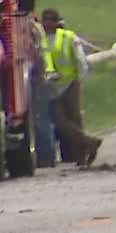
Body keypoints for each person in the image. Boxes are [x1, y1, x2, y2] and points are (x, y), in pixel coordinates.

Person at [42, 9, 103, 167]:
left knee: (74, 119)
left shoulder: (68, 37)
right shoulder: (40, 39)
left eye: (50, 20)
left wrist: (79, 79)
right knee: (60, 122)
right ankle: (90, 142)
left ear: (57, 22)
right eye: (45, 20)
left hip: (70, 85)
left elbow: (80, 59)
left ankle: (81, 157)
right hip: (52, 87)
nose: (47, 23)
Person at [28, 16, 56, 168]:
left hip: (38, 78)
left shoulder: (33, 29)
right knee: (41, 119)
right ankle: (46, 155)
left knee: (41, 119)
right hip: (40, 76)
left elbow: (38, 55)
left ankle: (46, 157)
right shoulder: (36, 28)